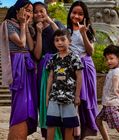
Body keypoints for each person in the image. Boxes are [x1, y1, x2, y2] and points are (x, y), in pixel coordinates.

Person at [0, 0, 38, 139]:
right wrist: (23, 24)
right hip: (17, 64)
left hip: (28, 64)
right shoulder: (8, 24)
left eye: (31, 11)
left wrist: (26, 26)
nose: (29, 13)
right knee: (21, 101)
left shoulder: (27, 26)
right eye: (26, 10)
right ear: (17, 11)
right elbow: (21, 43)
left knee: (29, 100)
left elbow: (31, 47)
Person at [33, 2, 65, 139]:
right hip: (43, 68)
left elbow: (63, 39)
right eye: (36, 12)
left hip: (59, 65)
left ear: (46, 11)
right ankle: (48, 135)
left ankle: (63, 133)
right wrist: (39, 33)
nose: (39, 14)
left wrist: (50, 21)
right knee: (45, 101)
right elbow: (37, 55)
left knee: (60, 98)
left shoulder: (55, 23)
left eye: (42, 11)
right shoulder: (34, 29)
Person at [67, 1, 98, 139]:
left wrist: (84, 33)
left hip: (86, 66)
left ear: (84, 16)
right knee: (73, 101)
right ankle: (74, 133)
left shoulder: (88, 30)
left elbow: (91, 51)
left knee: (86, 102)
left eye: (80, 14)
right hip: (71, 69)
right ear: (70, 14)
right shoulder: (66, 31)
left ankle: (84, 133)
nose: (76, 16)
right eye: (74, 13)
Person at [46, 29, 83, 140]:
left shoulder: (74, 58)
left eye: (63, 39)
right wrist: (47, 95)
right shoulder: (53, 58)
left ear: (69, 41)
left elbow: (79, 77)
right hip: (54, 97)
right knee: (51, 124)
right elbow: (50, 77)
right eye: (56, 40)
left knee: (69, 126)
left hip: (69, 98)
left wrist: (77, 96)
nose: (59, 42)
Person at [95, 45, 119, 140]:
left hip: (112, 105)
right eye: (107, 59)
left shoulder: (117, 71)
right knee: (98, 121)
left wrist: (116, 88)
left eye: (111, 58)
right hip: (108, 104)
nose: (108, 61)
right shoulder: (113, 70)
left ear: (118, 58)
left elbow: (116, 79)